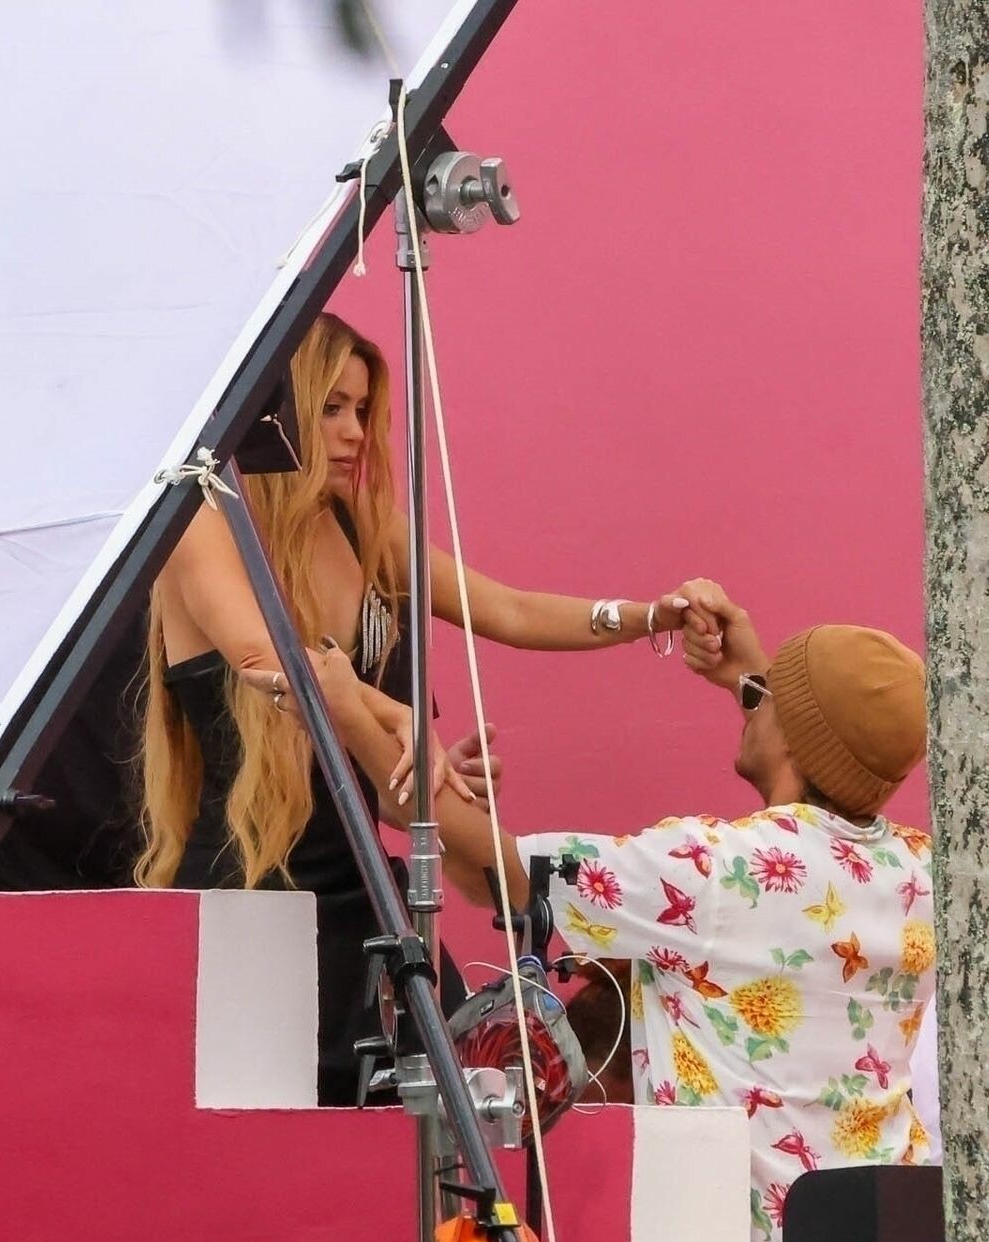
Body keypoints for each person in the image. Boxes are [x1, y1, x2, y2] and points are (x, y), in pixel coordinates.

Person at [269, 585, 936, 1242]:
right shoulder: (923, 872)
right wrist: (752, 682)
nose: (757, 698)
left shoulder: (712, 871)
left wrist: (346, 717)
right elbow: (822, 762)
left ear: (794, 734)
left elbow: (495, 870)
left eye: (770, 694)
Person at [138, 312, 714, 1105]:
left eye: (362, 410)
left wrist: (648, 616)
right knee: (262, 1129)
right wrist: (393, 714)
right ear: (278, 411)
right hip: (245, 890)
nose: (353, 432)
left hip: (362, 892)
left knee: (421, 1118)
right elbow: (262, 659)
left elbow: (506, 608)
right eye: (331, 408)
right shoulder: (202, 516)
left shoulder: (364, 528)